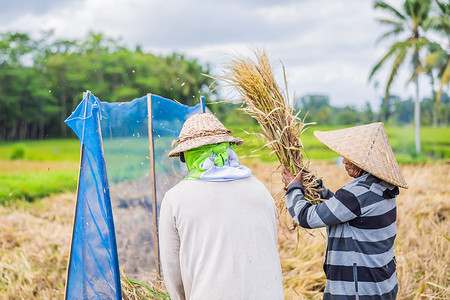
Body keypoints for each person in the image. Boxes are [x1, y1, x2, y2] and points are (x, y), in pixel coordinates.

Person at [159, 113, 284, 300]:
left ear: (186, 156)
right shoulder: (260, 189)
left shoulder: (175, 198)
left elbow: (172, 269)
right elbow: (269, 247)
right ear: (227, 149)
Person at [281, 123, 408, 300]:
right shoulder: (381, 185)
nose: (343, 161)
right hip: (381, 283)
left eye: (348, 157)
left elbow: (306, 218)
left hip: (358, 291)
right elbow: (343, 210)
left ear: (362, 161)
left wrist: (293, 188)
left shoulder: (357, 194)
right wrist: (314, 186)